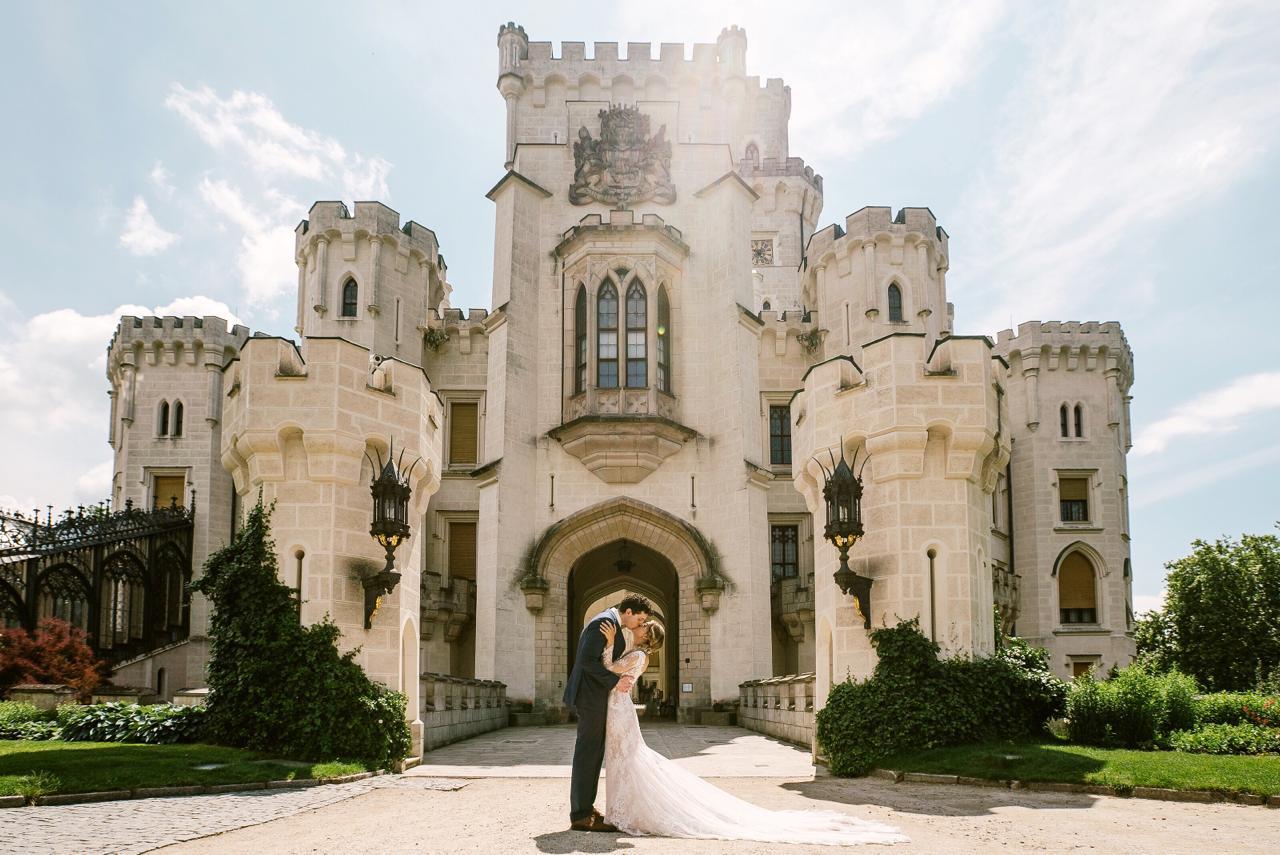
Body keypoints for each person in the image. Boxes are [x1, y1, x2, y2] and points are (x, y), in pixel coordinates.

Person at [599, 621, 907, 846]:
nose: (637, 627)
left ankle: (625, 812)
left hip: (620, 708)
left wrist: (611, 641)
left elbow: (609, 667)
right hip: (620, 706)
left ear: (647, 636)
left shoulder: (637, 656)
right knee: (624, 759)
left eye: (642, 626)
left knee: (626, 758)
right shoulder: (641, 657)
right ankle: (623, 810)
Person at [563, 593, 652, 832]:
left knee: (593, 752)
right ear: (629, 612)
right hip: (590, 697)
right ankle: (580, 814)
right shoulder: (603, 623)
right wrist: (614, 681)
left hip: (595, 696)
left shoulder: (612, 624)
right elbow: (586, 662)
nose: (640, 624)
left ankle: (585, 808)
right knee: (588, 752)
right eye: (640, 618)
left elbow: (601, 660)